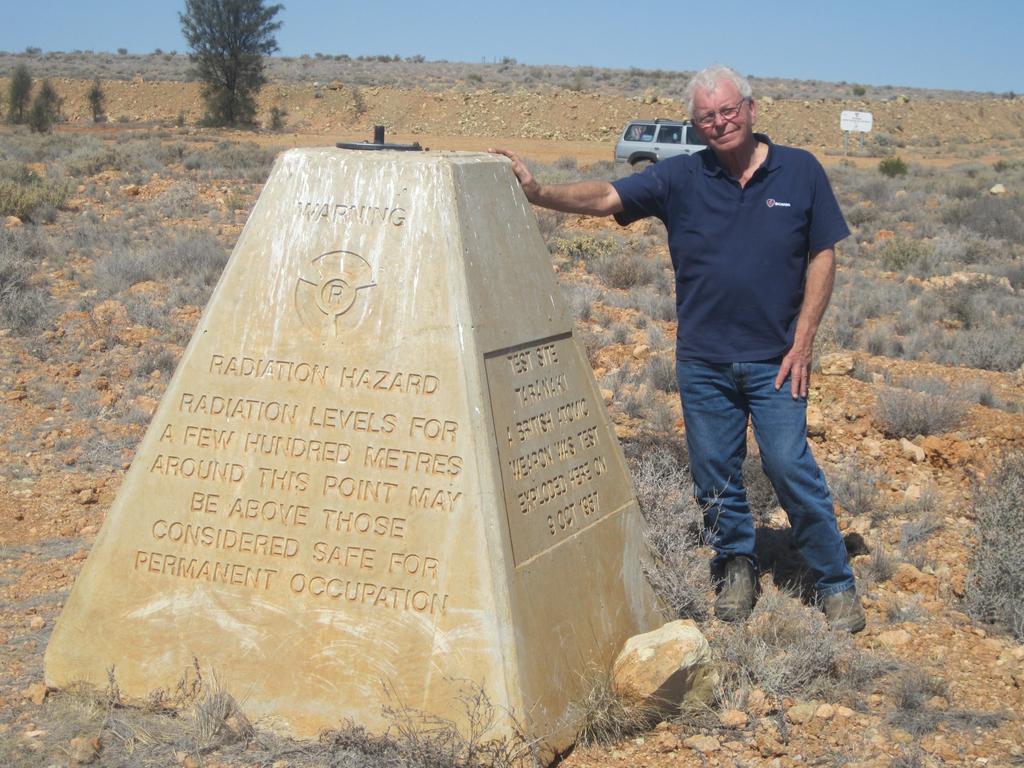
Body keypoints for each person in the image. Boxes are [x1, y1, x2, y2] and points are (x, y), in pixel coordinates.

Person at [490, 64, 865, 633]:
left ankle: (834, 579)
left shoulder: (801, 171)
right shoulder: (680, 178)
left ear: (752, 108)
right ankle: (734, 564)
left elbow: (823, 254)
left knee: (790, 466)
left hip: (778, 361)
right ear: (695, 125)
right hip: (704, 361)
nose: (720, 123)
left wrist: (805, 338)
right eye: (707, 116)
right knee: (714, 473)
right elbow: (605, 195)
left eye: (729, 110)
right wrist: (538, 192)